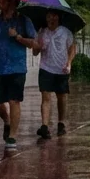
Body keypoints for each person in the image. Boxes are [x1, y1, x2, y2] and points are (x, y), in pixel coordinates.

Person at [0, 0, 37, 149]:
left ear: (12, 3)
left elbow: (34, 44)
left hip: (17, 68)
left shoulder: (24, 21)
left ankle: (12, 136)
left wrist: (17, 36)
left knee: (14, 100)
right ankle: (6, 120)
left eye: (3, 0)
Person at [33, 9, 76, 139]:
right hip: (46, 68)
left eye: (53, 17)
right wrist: (39, 46)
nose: (51, 20)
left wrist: (68, 62)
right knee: (45, 96)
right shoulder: (42, 33)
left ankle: (61, 122)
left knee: (61, 96)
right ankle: (44, 125)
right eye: (48, 17)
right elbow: (35, 52)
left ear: (58, 18)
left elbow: (72, 48)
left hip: (61, 69)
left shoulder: (65, 32)